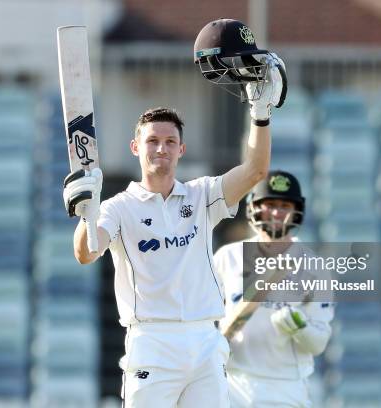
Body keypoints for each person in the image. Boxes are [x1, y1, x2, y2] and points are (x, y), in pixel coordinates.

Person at [62, 19, 287, 408]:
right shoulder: (118, 207)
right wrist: (86, 210)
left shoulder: (202, 196)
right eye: (152, 141)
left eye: (169, 142)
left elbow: (255, 170)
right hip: (152, 343)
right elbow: (86, 252)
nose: (160, 149)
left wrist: (261, 114)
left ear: (181, 150)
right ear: (136, 148)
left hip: (204, 340)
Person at [214, 170, 334, 408]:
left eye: (284, 205)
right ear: (253, 208)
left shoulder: (315, 268)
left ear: (296, 211)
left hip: (285, 387)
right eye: (269, 204)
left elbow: (319, 344)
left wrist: (300, 326)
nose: (277, 212)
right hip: (232, 383)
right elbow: (204, 322)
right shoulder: (228, 258)